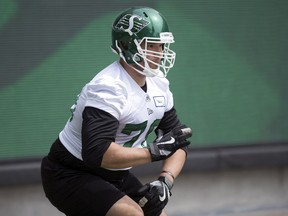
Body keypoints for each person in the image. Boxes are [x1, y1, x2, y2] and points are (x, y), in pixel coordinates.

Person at [41, 6, 192, 216]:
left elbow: (177, 143)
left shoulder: (159, 84)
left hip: (114, 174)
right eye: (152, 45)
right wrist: (153, 152)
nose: (160, 52)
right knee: (132, 215)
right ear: (127, 45)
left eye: (162, 45)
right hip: (70, 173)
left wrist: (165, 181)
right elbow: (97, 153)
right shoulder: (109, 87)